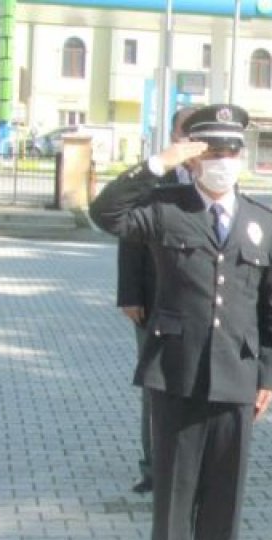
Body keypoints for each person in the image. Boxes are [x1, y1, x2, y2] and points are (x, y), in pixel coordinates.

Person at [90, 104, 272, 540]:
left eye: (231, 151)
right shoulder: (164, 207)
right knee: (175, 488)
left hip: (237, 374)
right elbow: (103, 214)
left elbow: (271, 306)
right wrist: (157, 163)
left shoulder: (260, 221)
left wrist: (269, 374)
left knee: (225, 489)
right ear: (195, 159)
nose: (223, 161)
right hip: (176, 369)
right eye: (212, 152)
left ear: (244, 157)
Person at [118, 105, 196, 494]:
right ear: (173, 135)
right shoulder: (153, 181)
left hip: (198, 307)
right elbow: (129, 237)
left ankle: (189, 467)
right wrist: (129, 293)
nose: (193, 142)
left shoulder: (215, 182)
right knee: (156, 386)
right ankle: (154, 467)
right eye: (186, 132)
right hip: (152, 301)